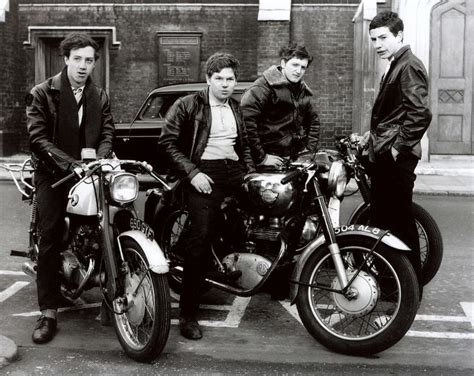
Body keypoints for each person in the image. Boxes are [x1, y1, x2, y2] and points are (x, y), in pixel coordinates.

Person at [158, 52, 255, 340]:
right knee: (199, 240)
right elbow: (167, 143)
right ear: (208, 79)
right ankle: (188, 314)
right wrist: (192, 173)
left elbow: (245, 144)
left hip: (233, 170)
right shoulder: (188, 105)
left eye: (230, 79)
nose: (225, 85)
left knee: (268, 211)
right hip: (203, 170)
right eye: (219, 79)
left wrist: (250, 173)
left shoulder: (236, 107)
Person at [26, 33, 115, 343]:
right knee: (49, 237)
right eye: (77, 59)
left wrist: (100, 159)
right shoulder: (43, 93)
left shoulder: (99, 95)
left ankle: (110, 291)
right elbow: (37, 138)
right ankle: (48, 313)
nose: (82, 65)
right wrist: (69, 164)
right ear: (65, 59)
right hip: (54, 172)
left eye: (88, 60)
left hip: (89, 170)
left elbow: (107, 132)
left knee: (109, 223)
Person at [360, 11, 432, 293]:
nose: (377, 44)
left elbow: (420, 114)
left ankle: (408, 290)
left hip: (395, 158)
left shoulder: (408, 65)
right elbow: (395, 114)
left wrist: (396, 149)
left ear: (399, 35)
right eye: (373, 39)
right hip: (386, 152)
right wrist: (373, 136)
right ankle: (395, 283)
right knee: (387, 220)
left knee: (399, 224)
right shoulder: (397, 64)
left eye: (383, 38)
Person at [240, 43, 320, 167]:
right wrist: (262, 157)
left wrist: (308, 151)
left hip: (293, 159)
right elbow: (246, 124)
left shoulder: (302, 91)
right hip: (268, 160)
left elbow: (314, 122)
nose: (298, 71)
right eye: (295, 65)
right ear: (283, 63)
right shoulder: (262, 88)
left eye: (303, 67)